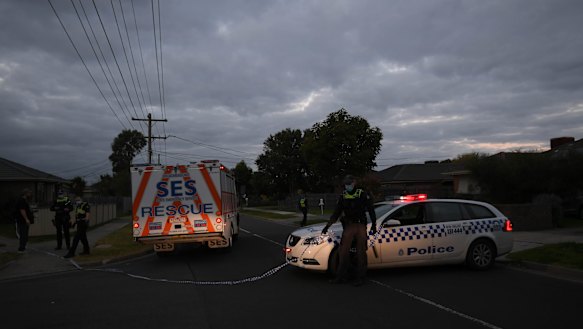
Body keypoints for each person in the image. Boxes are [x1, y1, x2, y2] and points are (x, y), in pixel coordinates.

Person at [321, 175, 377, 286]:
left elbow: (371, 210)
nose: (347, 186)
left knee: (361, 252)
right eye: (346, 184)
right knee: (343, 252)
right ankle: (341, 276)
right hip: (349, 225)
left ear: (354, 182)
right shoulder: (343, 196)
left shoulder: (362, 194)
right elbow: (336, 212)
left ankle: (360, 277)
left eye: (349, 184)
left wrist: (374, 224)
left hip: (360, 225)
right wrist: (328, 226)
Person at [15, 188, 34, 253]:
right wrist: (26, 219)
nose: (30, 194)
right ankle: (21, 249)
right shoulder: (21, 200)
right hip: (22, 220)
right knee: (23, 234)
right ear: (25, 193)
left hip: (24, 220)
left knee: (25, 234)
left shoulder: (25, 200)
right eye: (29, 193)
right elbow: (22, 210)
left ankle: (23, 247)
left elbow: (26, 210)